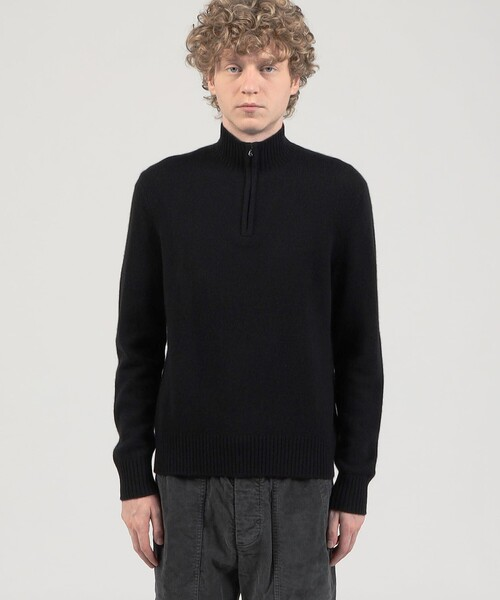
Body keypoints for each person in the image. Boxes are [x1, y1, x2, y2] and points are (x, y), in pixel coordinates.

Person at [112, 1, 384, 598]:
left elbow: (359, 351)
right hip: (186, 487)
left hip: (301, 487)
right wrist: (135, 476)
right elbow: (137, 346)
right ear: (210, 76)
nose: (251, 84)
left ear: (296, 77)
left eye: (269, 66)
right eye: (233, 66)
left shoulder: (339, 192)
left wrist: (354, 483)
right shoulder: (163, 190)